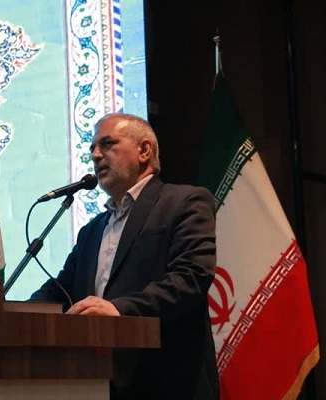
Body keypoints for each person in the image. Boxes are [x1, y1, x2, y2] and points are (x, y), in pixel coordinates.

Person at [29, 113, 219, 400]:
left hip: (167, 383)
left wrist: (120, 309)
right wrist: (15, 313)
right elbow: (60, 290)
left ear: (144, 151)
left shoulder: (184, 202)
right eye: (93, 147)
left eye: (107, 144)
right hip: (97, 383)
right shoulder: (92, 230)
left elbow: (191, 277)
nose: (95, 155)